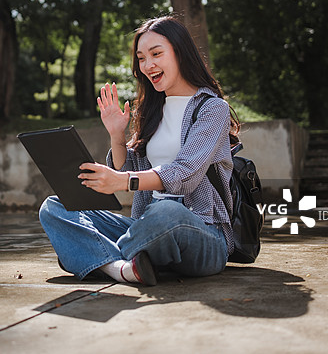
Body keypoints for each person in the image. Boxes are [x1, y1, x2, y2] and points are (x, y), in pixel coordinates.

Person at [38, 15, 240, 286]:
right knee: (55, 207)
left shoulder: (212, 108)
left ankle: (92, 256)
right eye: (141, 58)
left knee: (167, 211)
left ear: (180, 52)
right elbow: (127, 171)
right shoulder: (152, 110)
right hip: (146, 227)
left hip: (202, 232)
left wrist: (123, 181)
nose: (148, 65)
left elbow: (185, 174)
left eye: (156, 54)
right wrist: (116, 135)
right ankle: (121, 267)